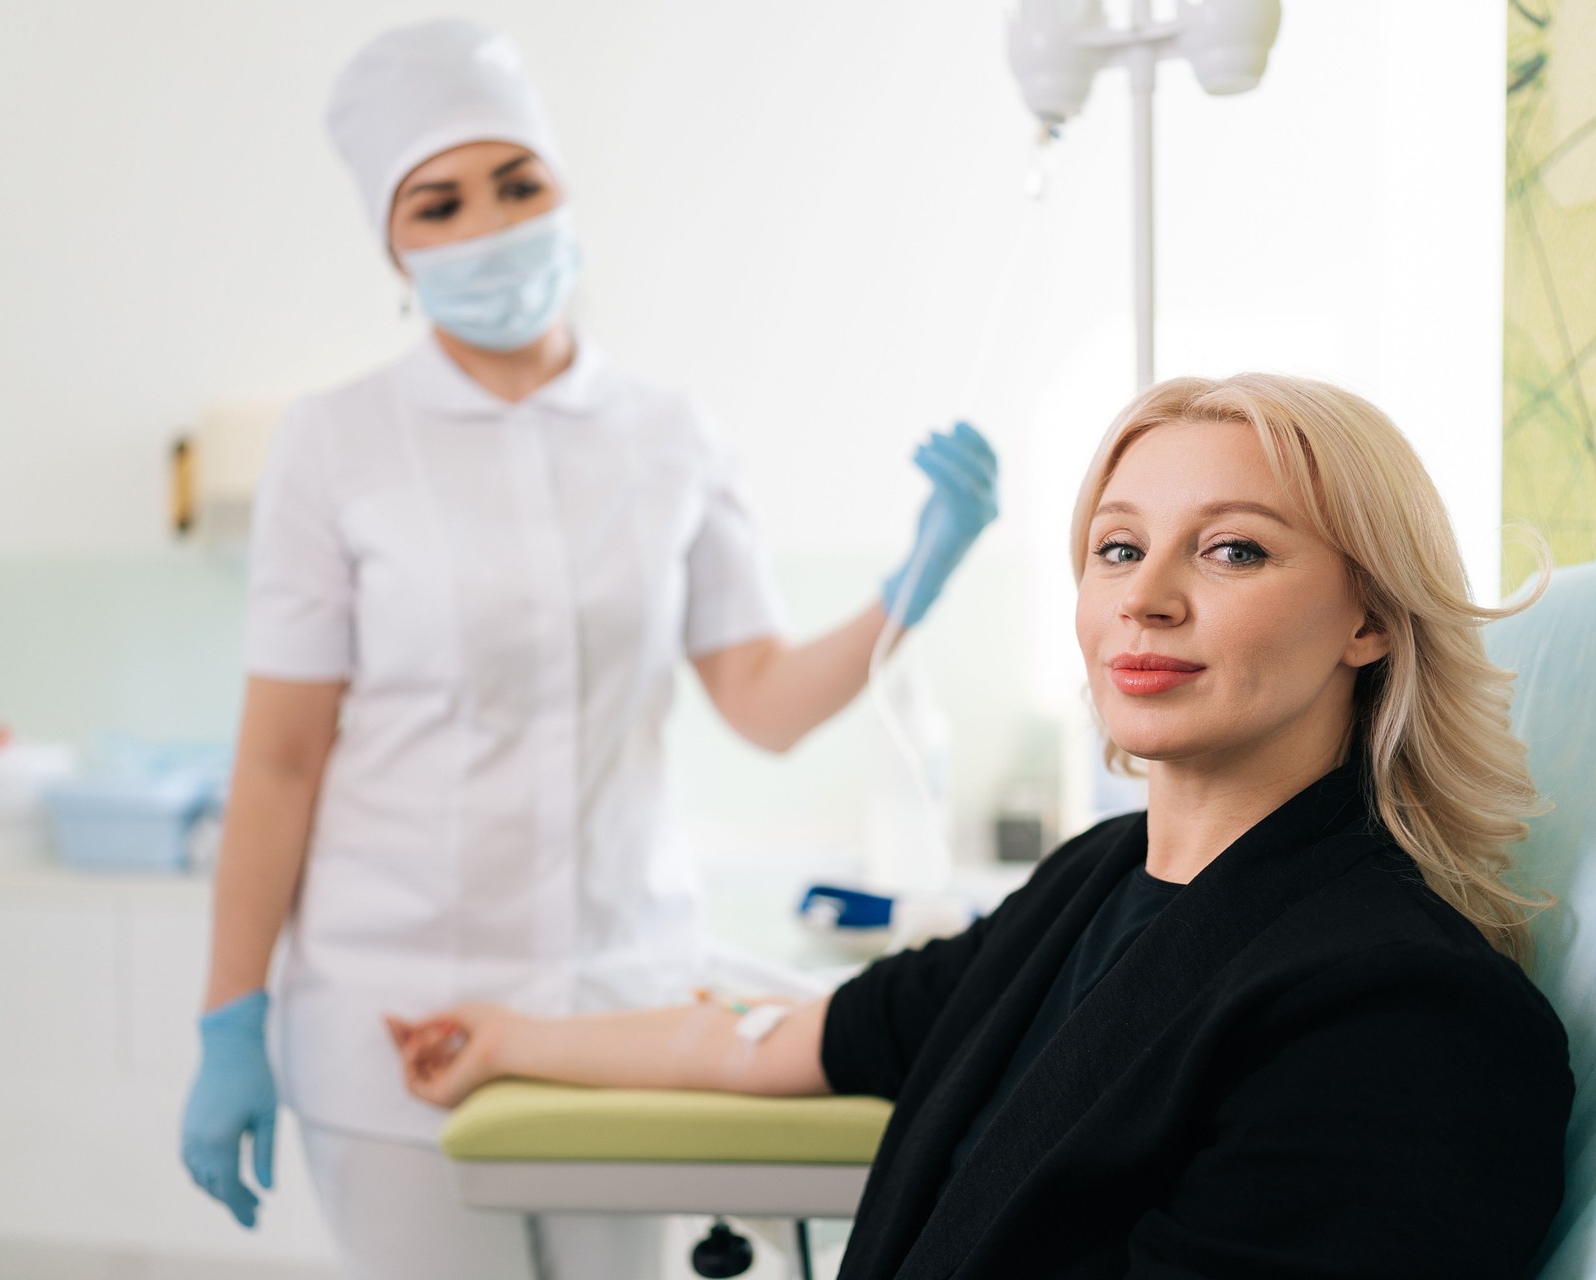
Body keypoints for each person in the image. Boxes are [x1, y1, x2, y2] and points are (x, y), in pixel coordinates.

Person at [390, 373, 1576, 1279]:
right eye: (1118, 546)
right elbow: (774, 1039)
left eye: (1231, 548)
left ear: (1368, 619)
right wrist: (507, 1039)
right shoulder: (1089, 887)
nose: (1145, 595)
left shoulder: (1398, 1009)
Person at [177, 19, 998, 1280]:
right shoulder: (335, 445)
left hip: (621, 1002)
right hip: (396, 1012)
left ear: (566, 192)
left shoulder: (670, 435)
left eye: (519, 183)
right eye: (439, 201)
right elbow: (280, 762)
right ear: (396, 247)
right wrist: (230, 1016)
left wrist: (909, 586)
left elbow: (762, 700)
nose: (492, 224)